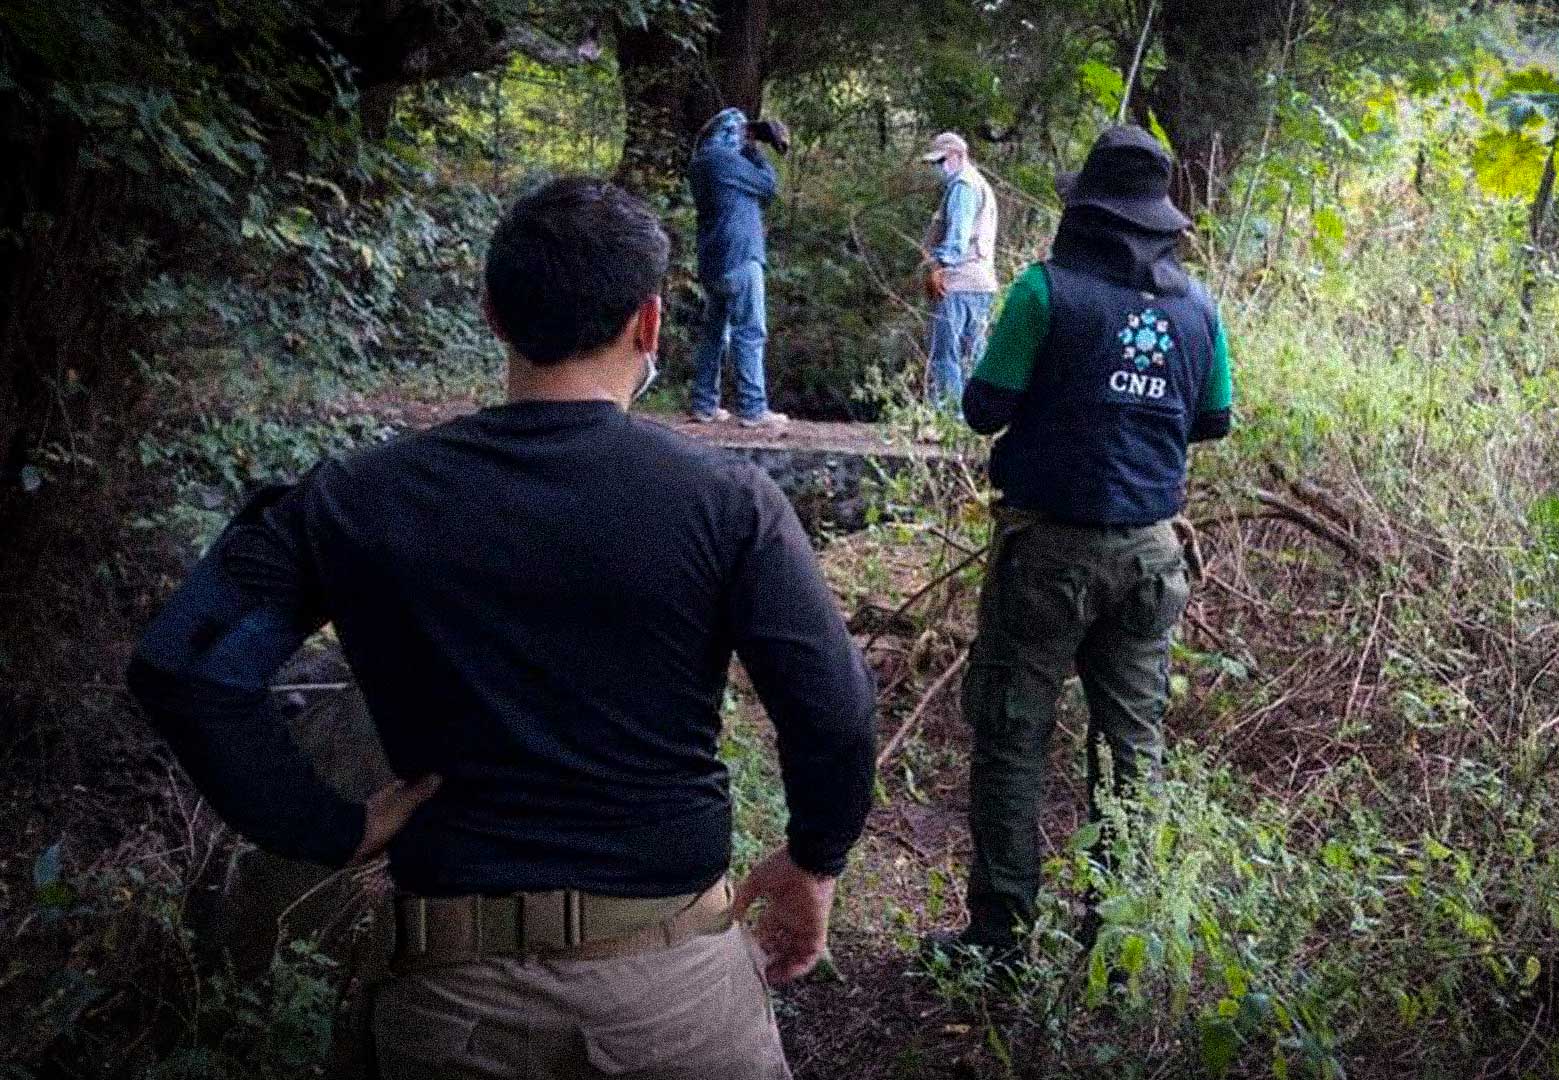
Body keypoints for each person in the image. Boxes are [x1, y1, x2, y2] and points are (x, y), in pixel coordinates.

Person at [127, 176, 877, 1079]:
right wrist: (813, 862)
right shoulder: (729, 506)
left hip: (450, 1001)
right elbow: (833, 710)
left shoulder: (356, 501)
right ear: (650, 323)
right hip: (677, 994)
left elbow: (188, 666)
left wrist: (325, 827)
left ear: (491, 313)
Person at [937, 126, 1234, 964]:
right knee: (1131, 751)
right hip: (1150, 558)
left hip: (1047, 556)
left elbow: (982, 408)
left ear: (1085, 211)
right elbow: (1213, 420)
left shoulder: (1042, 292)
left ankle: (999, 944)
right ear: (1162, 220)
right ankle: (1112, 947)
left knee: (1011, 740)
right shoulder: (1199, 308)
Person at [689, 107, 792, 427]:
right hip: (741, 256)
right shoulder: (725, 160)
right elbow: (768, 185)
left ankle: (704, 404)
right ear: (730, 132)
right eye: (743, 132)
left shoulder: (700, 163)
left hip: (712, 259)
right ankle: (752, 409)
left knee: (714, 333)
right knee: (750, 331)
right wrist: (754, 151)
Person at [920, 131, 1000, 412]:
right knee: (973, 357)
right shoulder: (981, 185)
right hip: (983, 284)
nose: (938, 168)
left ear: (957, 156)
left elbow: (958, 237)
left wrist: (939, 267)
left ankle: (948, 418)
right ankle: (970, 421)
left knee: (946, 355)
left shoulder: (963, 187)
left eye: (941, 160)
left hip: (958, 282)